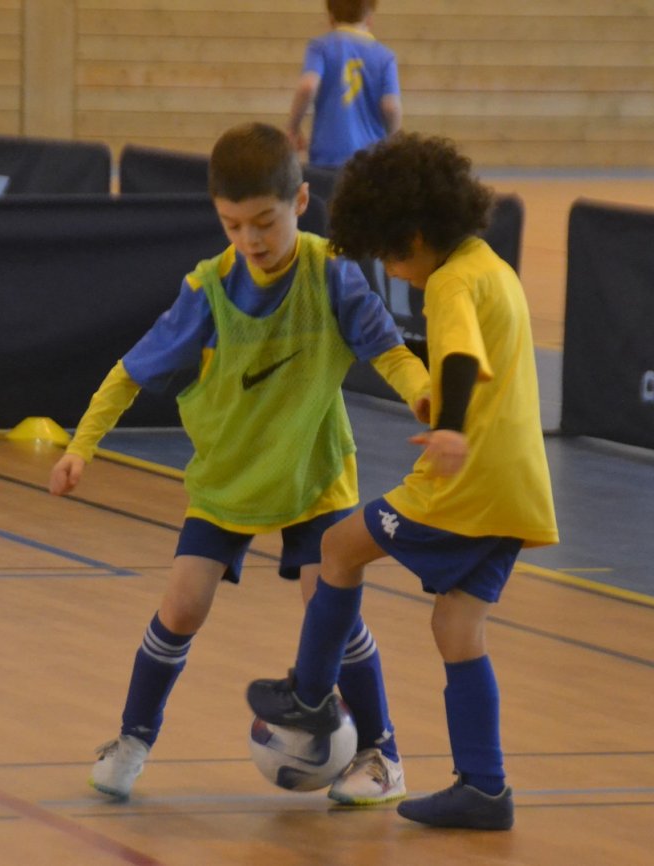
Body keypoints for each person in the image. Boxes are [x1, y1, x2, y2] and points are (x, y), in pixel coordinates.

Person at [50, 122, 431, 805]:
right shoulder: (208, 290)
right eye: (232, 225)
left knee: (330, 611)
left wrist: (427, 398)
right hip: (229, 477)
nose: (250, 240)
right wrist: (81, 447)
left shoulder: (332, 274)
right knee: (182, 604)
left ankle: (383, 755)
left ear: (300, 202)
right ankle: (132, 742)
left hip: (314, 475)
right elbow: (128, 373)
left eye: (264, 222)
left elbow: (391, 354)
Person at [246, 133, 559, 831]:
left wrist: (449, 427)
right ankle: (485, 788)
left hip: (467, 484)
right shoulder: (491, 267)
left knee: (338, 547)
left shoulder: (449, 283)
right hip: (518, 489)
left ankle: (311, 695)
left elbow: (460, 359)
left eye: (390, 255)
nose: (393, 270)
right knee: (456, 625)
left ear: (414, 236)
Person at [288, 0, 403, 170]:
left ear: (331, 18)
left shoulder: (320, 47)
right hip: (370, 158)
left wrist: (293, 128)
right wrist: (395, 142)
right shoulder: (385, 56)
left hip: (327, 155)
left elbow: (308, 86)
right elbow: (391, 107)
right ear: (369, 18)